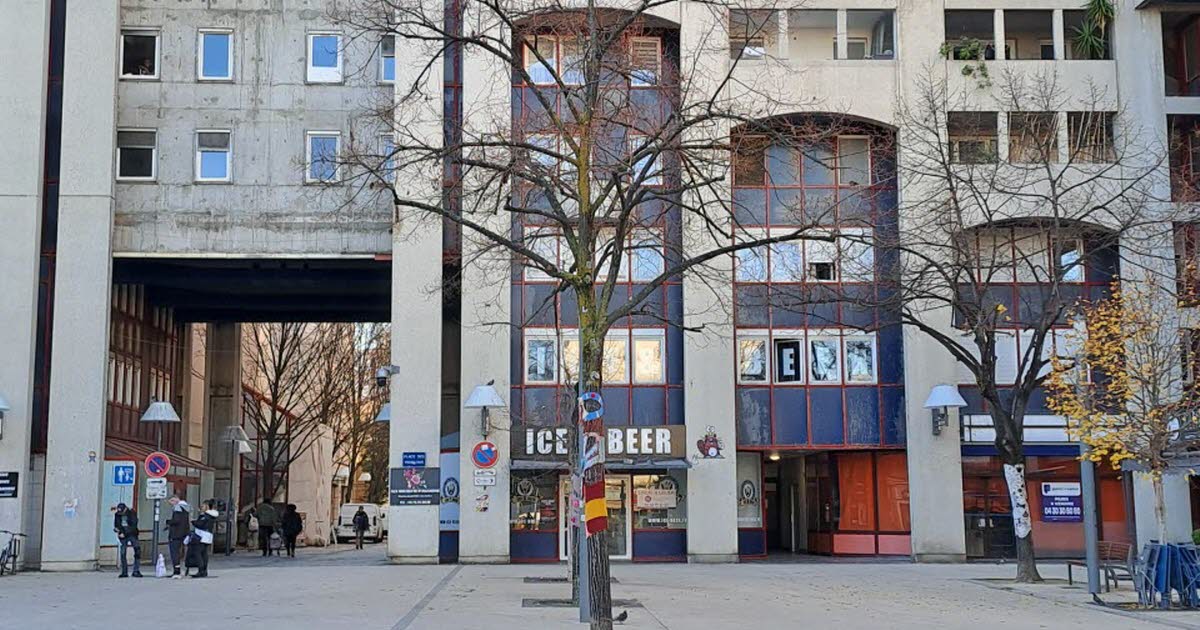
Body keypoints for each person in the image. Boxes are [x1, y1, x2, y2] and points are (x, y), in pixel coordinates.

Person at [187, 499, 218, 578]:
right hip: (207, 537)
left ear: (207, 506)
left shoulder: (206, 516)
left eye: (203, 506)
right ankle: (204, 570)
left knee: (197, 553)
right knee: (204, 554)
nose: (201, 507)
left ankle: (201, 570)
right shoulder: (211, 515)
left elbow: (200, 524)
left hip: (201, 536)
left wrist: (193, 521)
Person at [113, 503, 142, 578]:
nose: (121, 513)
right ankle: (124, 572)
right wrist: (117, 530)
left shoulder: (132, 513)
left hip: (132, 534)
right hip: (122, 535)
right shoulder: (117, 515)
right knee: (123, 553)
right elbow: (116, 524)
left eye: (122, 512)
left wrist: (124, 533)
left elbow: (133, 525)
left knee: (137, 551)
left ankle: (136, 570)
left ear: (125, 509)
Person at [165, 492, 190, 579]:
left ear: (176, 499)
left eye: (171, 501)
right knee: (180, 552)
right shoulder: (186, 508)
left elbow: (176, 521)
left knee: (174, 553)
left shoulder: (178, 508)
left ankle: (176, 571)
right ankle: (182, 570)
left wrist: (168, 522)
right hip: (183, 533)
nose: (171, 504)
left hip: (175, 534)